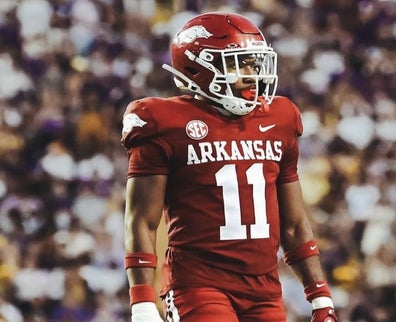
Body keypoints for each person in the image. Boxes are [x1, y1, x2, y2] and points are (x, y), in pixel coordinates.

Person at [120, 12, 338, 322]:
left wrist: (319, 296)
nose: (252, 74)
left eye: (254, 63)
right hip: (198, 284)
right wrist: (141, 301)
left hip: (264, 289)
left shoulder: (279, 119)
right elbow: (141, 220)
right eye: (240, 64)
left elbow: (292, 223)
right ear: (200, 67)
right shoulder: (162, 122)